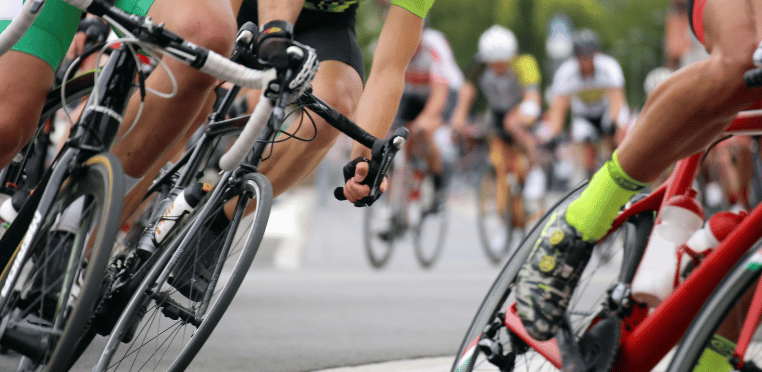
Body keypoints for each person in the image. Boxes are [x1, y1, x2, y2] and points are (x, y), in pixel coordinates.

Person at [0, 0, 435, 298]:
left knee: (335, 105)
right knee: (199, 75)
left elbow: (388, 69)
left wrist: (364, 156)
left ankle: (214, 221)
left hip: (323, 24)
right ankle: (91, 225)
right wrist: (273, 34)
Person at [515, 0, 762, 342]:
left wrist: (618, 126)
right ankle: (579, 224)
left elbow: (616, 106)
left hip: (603, 113)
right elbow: (560, 111)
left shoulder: (606, 71)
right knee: (745, 61)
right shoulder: (570, 73)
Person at [451, 25, 543, 230]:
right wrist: (458, 119)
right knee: (497, 156)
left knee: (519, 132)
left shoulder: (525, 63)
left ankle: (534, 181)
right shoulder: (478, 65)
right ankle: (501, 205)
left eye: (503, 64)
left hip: (523, 108)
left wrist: (520, 116)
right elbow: (466, 94)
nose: (499, 69)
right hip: (498, 112)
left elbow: (533, 97)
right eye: (494, 65)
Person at [544, 28, 629, 181]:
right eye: (581, 56)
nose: (586, 60)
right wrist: (554, 133)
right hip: (584, 114)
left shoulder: (609, 66)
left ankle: (622, 172)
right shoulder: (566, 72)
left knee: (616, 138)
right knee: (584, 141)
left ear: (597, 53)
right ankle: (589, 176)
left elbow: (616, 98)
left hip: (606, 110)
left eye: (589, 55)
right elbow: (559, 106)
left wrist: (612, 122)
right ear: (575, 57)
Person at [394, 26, 463, 210]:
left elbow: (439, 95)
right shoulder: (396, 47)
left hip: (445, 90)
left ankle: (438, 185)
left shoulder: (433, 46)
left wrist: (423, 121)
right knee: (401, 131)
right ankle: (404, 192)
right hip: (415, 93)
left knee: (425, 129)